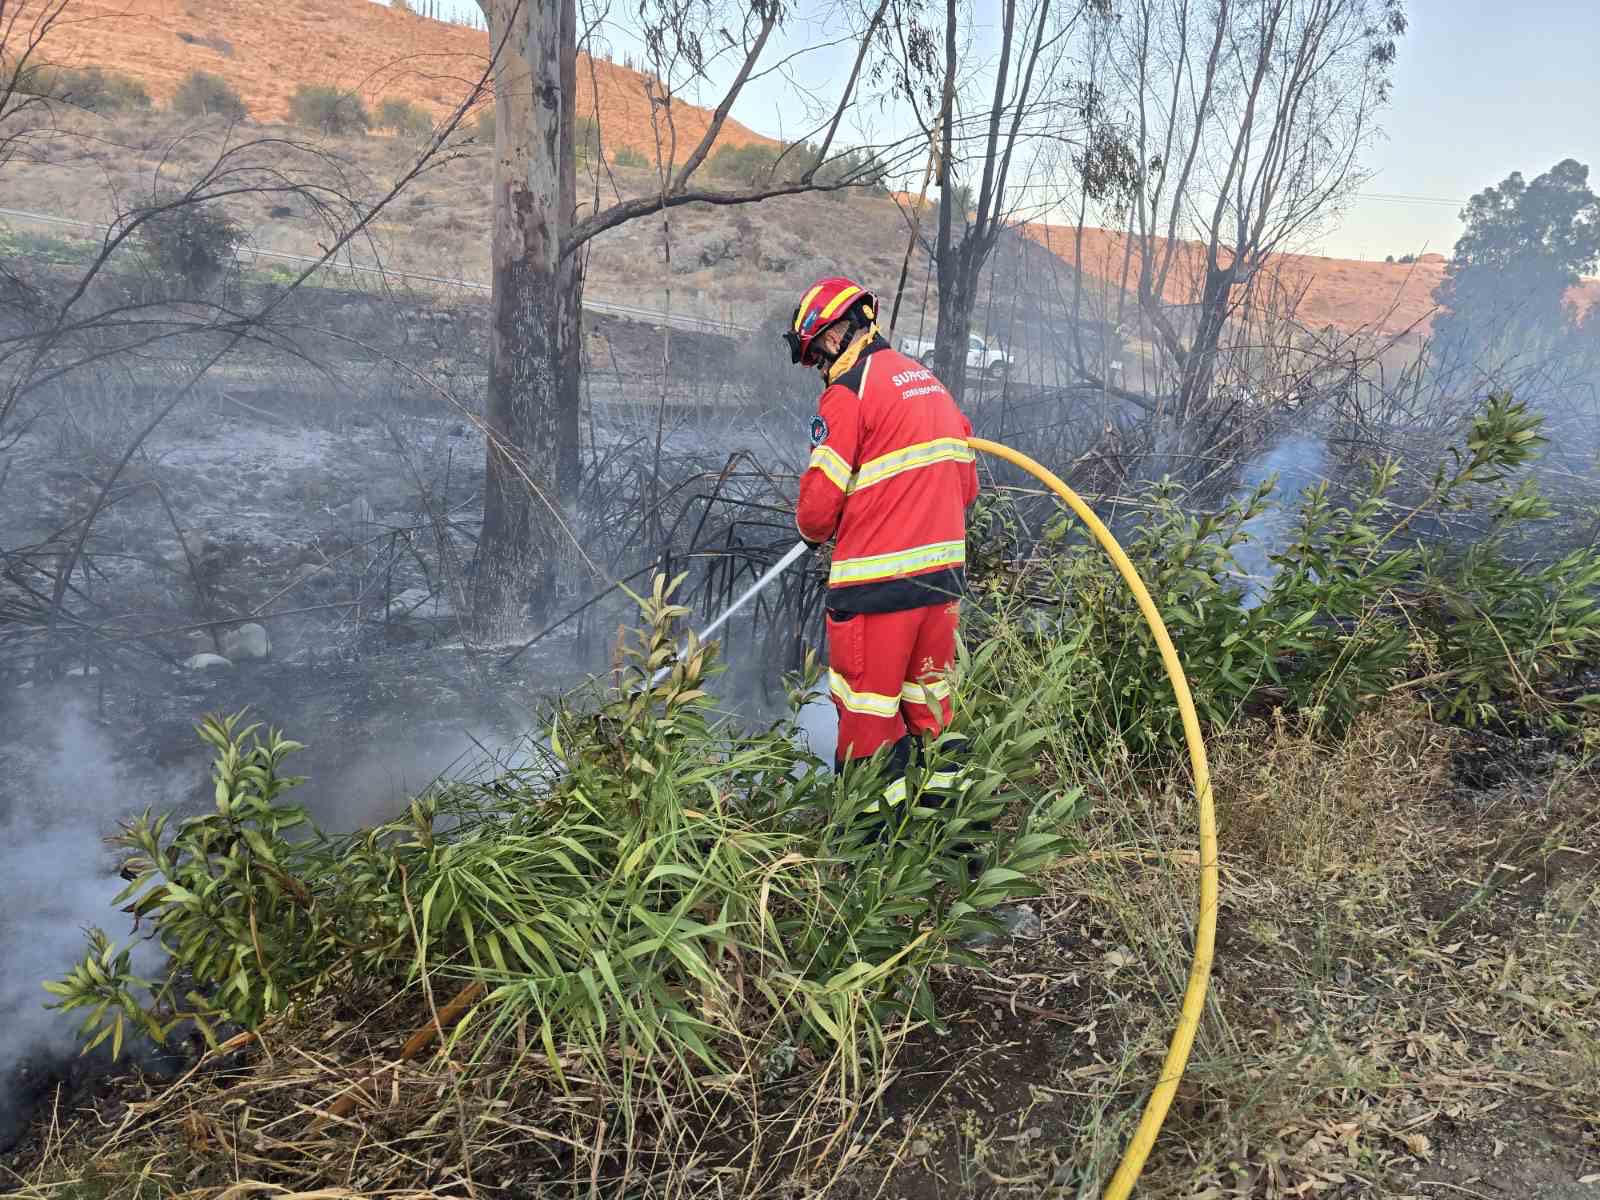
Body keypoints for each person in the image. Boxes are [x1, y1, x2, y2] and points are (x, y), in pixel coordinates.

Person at [784, 276, 979, 815]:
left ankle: (868, 855)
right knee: (929, 708)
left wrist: (813, 532)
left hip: (875, 591)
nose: (819, 370)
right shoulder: (929, 383)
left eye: (815, 358)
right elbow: (967, 486)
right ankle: (950, 837)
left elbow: (819, 509)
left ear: (828, 339)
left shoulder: (848, 394)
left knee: (866, 716)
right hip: (939, 587)